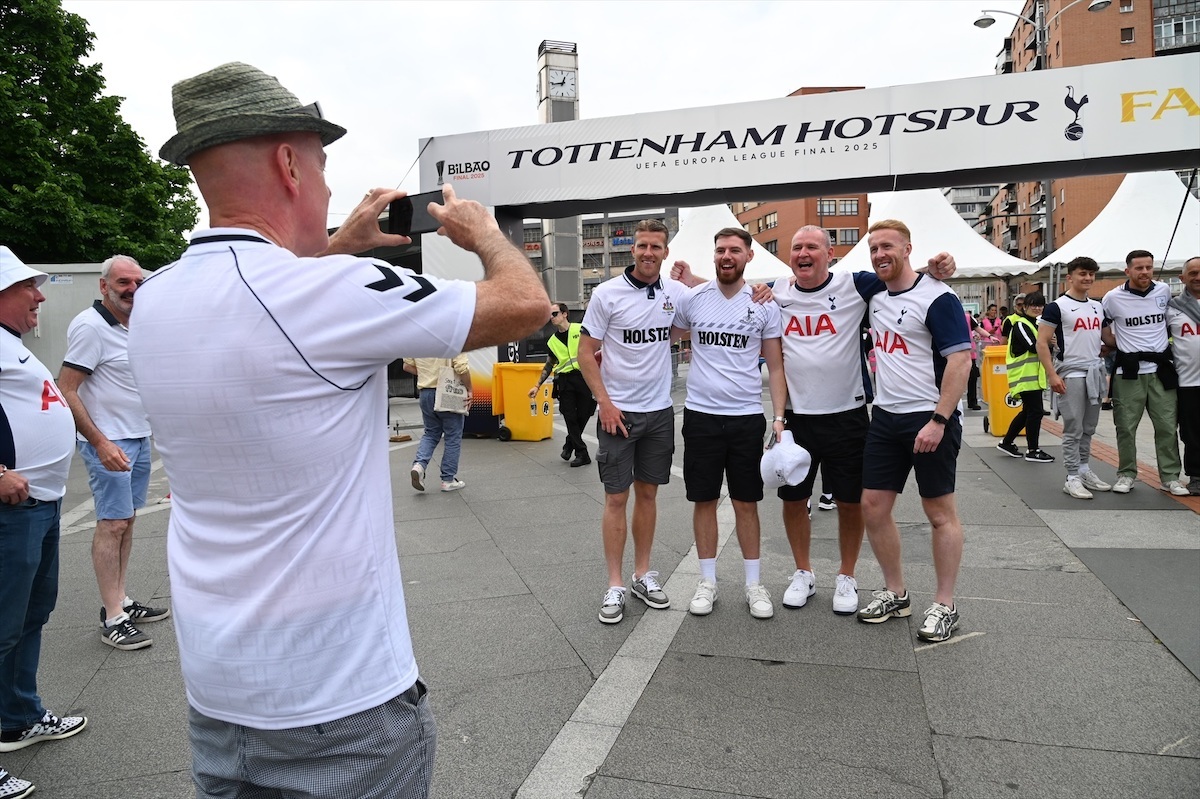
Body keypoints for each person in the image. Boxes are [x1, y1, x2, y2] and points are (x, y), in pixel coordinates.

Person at [127, 62, 547, 798]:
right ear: (289, 164)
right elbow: (525, 303)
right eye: (322, 164)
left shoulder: (154, 299)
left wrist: (334, 246)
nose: (327, 189)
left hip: (220, 694)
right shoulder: (327, 291)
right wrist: (486, 234)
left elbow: (260, 304)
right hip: (341, 695)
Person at [674, 226, 954, 616]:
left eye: (812, 247)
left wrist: (934, 268)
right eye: (797, 247)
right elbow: (731, 286)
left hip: (847, 413)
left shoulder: (854, 285)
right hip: (797, 417)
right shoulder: (775, 291)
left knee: (850, 502)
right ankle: (802, 572)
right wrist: (692, 280)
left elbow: (897, 274)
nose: (803, 253)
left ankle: (846, 575)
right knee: (794, 501)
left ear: (829, 254)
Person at [855, 220, 971, 643]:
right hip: (886, 417)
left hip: (930, 416)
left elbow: (961, 361)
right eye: (873, 248)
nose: (879, 254)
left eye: (887, 246)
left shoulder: (939, 297)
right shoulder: (873, 293)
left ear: (907, 248)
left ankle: (945, 605)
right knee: (873, 507)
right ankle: (896, 592)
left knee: (939, 513)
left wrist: (939, 420)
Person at [0, 247, 88, 797]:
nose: (39, 297)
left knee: (28, 616)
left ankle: (17, 718)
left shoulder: (12, 343)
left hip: (39, 506)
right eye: (27, 287)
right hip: (12, 510)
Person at [670, 228, 786, 619]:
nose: (726, 256)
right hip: (701, 416)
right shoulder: (694, 299)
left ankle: (754, 584)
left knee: (746, 502)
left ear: (749, 256)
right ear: (714, 254)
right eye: (720, 249)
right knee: (703, 500)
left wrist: (779, 417)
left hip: (745, 418)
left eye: (735, 250)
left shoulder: (763, 303)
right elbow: (663, 335)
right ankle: (707, 582)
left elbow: (776, 365)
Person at [58, 255, 170, 652]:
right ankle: (113, 618)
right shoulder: (91, 327)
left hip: (137, 438)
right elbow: (66, 389)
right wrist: (100, 443)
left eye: (138, 282)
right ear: (104, 286)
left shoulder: (135, 325)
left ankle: (120, 600)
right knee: (113, 524)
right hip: (110, 442)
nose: (132, 289)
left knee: (126, 521)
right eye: (123, 282)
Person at [578, 219, 685, 624]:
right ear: (633, 249)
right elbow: (586, 352)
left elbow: (703, 309)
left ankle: (643, 574)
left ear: (665, 252)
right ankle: (615, 584)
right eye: (642, 246)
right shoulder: (606, 294)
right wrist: (603, 402)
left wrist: (763, 291)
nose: (648, 253)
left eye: (656, 246)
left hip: (658, 411)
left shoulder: (676, 292)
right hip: (617, 413)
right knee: (616, 498)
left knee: (649, 495)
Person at [1100, 250, 1188, 496]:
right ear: (1127, 271)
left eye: (1149, 267)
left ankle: (1170, 477)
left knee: (1167, 426)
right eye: (1139, 268)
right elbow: (1103, 325)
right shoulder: (1112, 297)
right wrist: (1112, 344)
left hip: (1161, 370)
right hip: (1129, 371)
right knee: (1126, 427)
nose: (1145, 272)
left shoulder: (1163, 291)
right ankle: (1126, 474)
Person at [1036, 257, 1113, 499]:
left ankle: (1083, 469)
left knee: (1088, 428)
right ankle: (1072, 477)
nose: (1088, 278)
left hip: (1094, 372)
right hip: (1071, 373)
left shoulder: (1097, 306)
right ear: (1070, 277)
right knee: (1073, 428)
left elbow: (1106, 338)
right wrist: (1052, 375)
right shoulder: (1056, 307)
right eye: (1082, 273)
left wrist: (1109, 346)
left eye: (1091, 274)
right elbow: (1041, 343)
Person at [530, 302, 596, 467]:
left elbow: (596, 348)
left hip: (584, 377)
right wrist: (537, 386)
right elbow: (549, 364)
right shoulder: (552, 341)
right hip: (565, 381)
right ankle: (582, 453)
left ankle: (569, 444)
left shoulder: (580, 330)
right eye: (550, 316)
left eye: (554, 314)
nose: (552, 318)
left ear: (565, 314)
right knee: (569, 417)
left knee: (584, 414)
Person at [995, 292, 1054, 463]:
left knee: (1028, 411)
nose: (1037, 308)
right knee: (1035, 412)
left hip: (1032, 377)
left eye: (1040, 305)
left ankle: (1006, 442)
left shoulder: (1036, 324)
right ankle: (1033, 450)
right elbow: (1034, 347)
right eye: (1033, 305)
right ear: (1025, 307)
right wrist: (1048, 343)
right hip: (1024, 377)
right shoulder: (1021, 324)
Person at [404, 355, 471, 492]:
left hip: (425, 392)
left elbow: (407, 366)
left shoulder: (414, 340)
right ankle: (448, 479)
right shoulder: (453, 340)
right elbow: (461, 368)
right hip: (448, 390)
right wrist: (470, 388)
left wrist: (427, 374)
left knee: (431, 433)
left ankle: (419, 465)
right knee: (452, 436)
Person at [1166, 256, 1200, 495]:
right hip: (1188, 382)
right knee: (1192, 433)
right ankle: (1196, 476)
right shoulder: (1172, 308)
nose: (1198, 277)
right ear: (1182, 278)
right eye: (1193, 273)